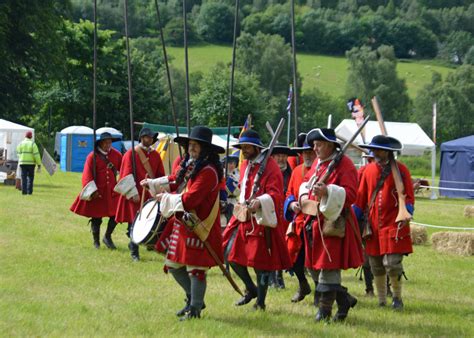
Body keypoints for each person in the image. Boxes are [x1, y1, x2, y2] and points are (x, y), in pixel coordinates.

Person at [142, 126, 225, 320]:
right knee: (173, 265)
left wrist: (165, 198)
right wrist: (153, 183)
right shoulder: (192, 165)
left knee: (196, 270)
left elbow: (190, 199)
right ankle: (193, 299)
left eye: (196, 145)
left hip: (200, 225)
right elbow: (174, 180)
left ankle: (195, 309)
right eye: (190, 145)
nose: (191, 148)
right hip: (186, 223)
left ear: (205, 149)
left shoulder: (208, 172)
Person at [223, 129, 291, 311]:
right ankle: (251, 289)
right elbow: (242, 188)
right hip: (243, 216)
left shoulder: (271, 167)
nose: (244, 150)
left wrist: (259, 201)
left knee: (261, 264)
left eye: (247, 147)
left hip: (261, 219)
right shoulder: (245, 165)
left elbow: (276, 194)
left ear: (255, 147)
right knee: (231, 256)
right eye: (242, 146)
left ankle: (260, 302)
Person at [299, 128, 363, 322]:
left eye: (318, 145)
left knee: (328, 267)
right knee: (315, 269)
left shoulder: (345, 165)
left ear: (329, 145)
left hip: (334, 224)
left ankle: (324, 311)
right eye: (314, 145)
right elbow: (307, 184)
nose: (314, 149)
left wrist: (328, 191)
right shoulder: (319, 163)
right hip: (314, 223)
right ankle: (345, 300)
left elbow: (351, 194)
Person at [353, 135, 414, 311]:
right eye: (374, 149)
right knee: (375, 264)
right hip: (372, 225)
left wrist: (407, 212)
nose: (375, 152)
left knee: (393, 263)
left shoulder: (401, 170)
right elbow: (361, 199)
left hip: (394, 223)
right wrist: (353, 217)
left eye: (378, 149)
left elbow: (408, 197)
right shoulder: (368, 171)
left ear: (387, 152)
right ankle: (381, 300)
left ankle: (397, 298)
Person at [115, 128, 165, 261]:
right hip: (135, 194)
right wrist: (132, 193)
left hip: (149, 194)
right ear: (142, 138)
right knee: (134, 223)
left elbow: (160, 175)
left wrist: (160, 190)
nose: (150, 140)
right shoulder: (131, 153)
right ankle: (134, 251)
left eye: (151, 138)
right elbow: (125, 175)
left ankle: (149, 244)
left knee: (147, 222)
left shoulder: (155, 155)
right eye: (148, 137)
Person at [70, 132, 122, 249]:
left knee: (116, 215)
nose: (108, 145)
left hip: (112, 192)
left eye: (109, 142)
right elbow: (87, 175)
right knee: (96, 217)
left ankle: (107, 237)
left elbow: (123, 168)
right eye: (105, 142)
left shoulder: (116, 155)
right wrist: (92, 190)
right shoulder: (92, 156)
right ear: (101, 143)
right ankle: (96, 242)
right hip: (98, 191)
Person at [283, 134, 317, 302]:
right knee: (293, 258)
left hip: (316, 222)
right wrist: (291, 204)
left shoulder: (322, 170)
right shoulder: (297, 171)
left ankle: (322, 293)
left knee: (315, 262)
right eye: (305, 152)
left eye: (311, 152)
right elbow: (289, 193)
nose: (308, 155)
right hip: (299, 222)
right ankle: (303, 284)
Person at [268, 142, 296, 289]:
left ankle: (279, 276)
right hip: (270, 213)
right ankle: (272, 278)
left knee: (282, 247)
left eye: (284, 155)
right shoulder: (269, 172)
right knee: (271, 246)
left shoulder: (291, 174)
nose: (281, 159)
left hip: (285, 217)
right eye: (278, 155)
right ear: (273, 156)